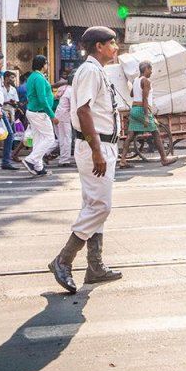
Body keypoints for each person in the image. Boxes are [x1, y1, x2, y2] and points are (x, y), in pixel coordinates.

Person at [48, 27, 123, 293]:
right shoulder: (90, 71)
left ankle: (95, 267)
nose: (116, 47)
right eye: (112, 43)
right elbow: (83, 110)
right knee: (101, 207)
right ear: (99, 46)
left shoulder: (97, 70)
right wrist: (96, 150)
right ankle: (63, 259)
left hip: (103, 144)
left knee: (93, 205)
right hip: (96, 145)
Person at [118, 60, 177, 168]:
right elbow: (145, 99)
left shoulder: (136, 80)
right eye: (150, 69)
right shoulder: (146, 81)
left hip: (134, 109)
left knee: (130, 136)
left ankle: (122, 160)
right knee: (156, 133)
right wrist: (146, 115)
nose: (151, 72)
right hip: (142, 109)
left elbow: (132, 94)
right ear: (146, 69)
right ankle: (164, 159)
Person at [22, 55, 58, 176]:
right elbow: (42, 99)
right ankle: (31, 159)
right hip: (39, 112)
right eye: (46, 63)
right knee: (49, 138)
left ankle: (38, 167)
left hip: (33, 111)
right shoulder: (39, 78)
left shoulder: (33, 77)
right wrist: (52, 115)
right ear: (43, 64)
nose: (47, 66)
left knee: (38, 139)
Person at [54, 81, 75, 168]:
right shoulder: (71, 90)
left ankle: (46, 153)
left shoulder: (63, 88)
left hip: (58, 115)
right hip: (64, 117)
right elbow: (73, 106)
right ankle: (64, 160)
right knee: (66, 138)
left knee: (61, 138)